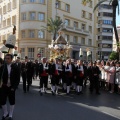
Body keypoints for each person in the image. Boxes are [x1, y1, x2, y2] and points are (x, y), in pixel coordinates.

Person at [0, 54, 19, 120]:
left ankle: (10, 114)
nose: (6, 60)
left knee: (12, 101)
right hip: (4, 86)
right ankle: (5, 113)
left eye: (8, 58)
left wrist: (14, 87)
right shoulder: (3, 67)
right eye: (6, 58)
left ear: (11, 59)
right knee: (2, 100)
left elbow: (17, 79)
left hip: (11, 86)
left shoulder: (15, 67)